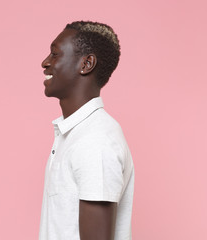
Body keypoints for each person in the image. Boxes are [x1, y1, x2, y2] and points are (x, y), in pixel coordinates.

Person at [39, 21, 134, 240]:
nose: (45, 62)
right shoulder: (76, 134)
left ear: (86, 63)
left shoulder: (96, 141)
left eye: (55, 54)